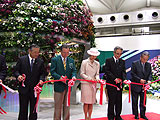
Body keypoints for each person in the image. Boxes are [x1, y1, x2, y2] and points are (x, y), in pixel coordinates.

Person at [14, 44, 46, 120]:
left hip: (35, 90)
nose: (36, 54)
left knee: (33, 110)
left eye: (38, 52)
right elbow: (16, 71)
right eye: (35, 52)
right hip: (24, 89)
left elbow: (43, 73)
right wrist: (18, 76)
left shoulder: (40, 61)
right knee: (23, 109)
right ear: (29, 51)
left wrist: (41, 79)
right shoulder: (22, 60)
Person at [50, 44, 77, 120]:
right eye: (64, 52)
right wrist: (60, 77)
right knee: (58, 107)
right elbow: (53, 72)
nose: (66, 54)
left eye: (67, 52)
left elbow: (74, 70)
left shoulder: (71, 61)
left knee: (67, 106)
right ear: (61, 51)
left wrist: (73, 76)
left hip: (68, 87)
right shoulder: (55, 60)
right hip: (59, 86)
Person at [104, 46, 126, 120]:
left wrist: (123, 79)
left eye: (120, 54)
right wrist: (114, 79)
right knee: (111, 101)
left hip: (119, 84)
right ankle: (110, 116)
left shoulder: (122, 61)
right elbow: (107, 71)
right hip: (111, 84)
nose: (118, 55)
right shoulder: (108, 60)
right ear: (114, 53)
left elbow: (123, 72)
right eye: (117, 53)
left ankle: (118, 115)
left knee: (119, 101)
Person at [80, 48, 100, 120]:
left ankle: (90, 116)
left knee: (91, 102)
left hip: (93, 84)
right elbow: (82, 73)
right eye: (93, 56)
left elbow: (97, 74)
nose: (94, 57)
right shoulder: (84, 62)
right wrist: (89, 78)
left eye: (95, 56)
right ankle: (85, 116)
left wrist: (97, 78)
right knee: (86, 102)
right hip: (85, 84)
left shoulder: (97, 64)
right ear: (90, 55)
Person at [131, 51, 152, 120]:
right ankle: (136, 114)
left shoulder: (148, 65)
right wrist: (139, 80)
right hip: (136, 85)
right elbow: (133, 74)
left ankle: (143, 114)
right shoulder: (135, 63)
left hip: (144, 87)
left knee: (143, 101)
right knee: (135, 101)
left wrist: (149, 80)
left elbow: (150, 74)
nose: (145, 61)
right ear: (141, 57)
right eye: (144, 59)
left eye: (146, 59)